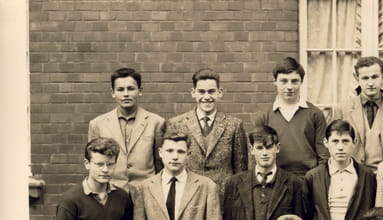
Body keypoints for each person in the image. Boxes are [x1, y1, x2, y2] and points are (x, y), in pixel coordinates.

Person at [222, 125, 305, 220]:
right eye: (259, 148)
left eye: (269, 147)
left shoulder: (294, 184)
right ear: (251, 149)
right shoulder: (234, 184)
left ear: (277, 148)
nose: (265, 153)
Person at [165, 68, 248, 198]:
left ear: (220, 92)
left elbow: (240, 171)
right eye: (201, 92)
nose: (207, 97)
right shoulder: (177, 124)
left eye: (211, 91)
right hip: (188, 195)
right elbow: (170, 166)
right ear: (193, 93)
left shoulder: (234, 125)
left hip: (223, 197)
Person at [87, 67, 165, 191]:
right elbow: (94, 164)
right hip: (111, 192)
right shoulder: (98, 124)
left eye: (130, 88)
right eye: (120, 89)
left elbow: (161, 164)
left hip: (146, 191)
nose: (126, 94)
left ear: (140, 91)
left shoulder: (156, 122)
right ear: (113, 93)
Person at [253, 57, 328, 177]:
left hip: (307, 178)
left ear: (301, 82)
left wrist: (316, 179)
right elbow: (257, 154)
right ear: (275, 81)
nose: (289, 86)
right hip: (275, 179)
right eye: (284, 81)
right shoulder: (264, 116)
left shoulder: (315, 114)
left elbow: (324, 156)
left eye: (294, 81)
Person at [331, 56, 383, 169]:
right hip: (355, 173)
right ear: (357, 78)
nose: (370, 83)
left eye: (375, 77)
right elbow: (334, 147)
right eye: (365, 78)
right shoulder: (343, 109)